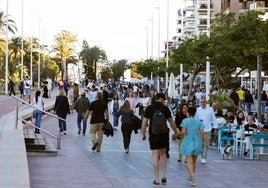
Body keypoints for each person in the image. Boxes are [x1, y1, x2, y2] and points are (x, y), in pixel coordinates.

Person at [141, 93, 179, 185]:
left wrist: (143, 133)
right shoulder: (165, 109)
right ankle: (164, 175)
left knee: (155, 155)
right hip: (164, 134)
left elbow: (144, 122)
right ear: (161, 99)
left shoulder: (149, 108)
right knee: (163, 155)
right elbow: (171, 121)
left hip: (153, 134)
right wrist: (176, 132)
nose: (164, 101)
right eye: (164, 99)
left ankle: (157, 179)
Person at [179, 107, 209, 186]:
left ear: (188, 112)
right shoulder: (199, 122)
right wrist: (207, 142)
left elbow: (183, 132)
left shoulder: (185, 121)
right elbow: (203, 133)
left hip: (188, 142)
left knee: (189, 161)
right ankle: (190, 177)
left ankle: (193, 178)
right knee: (194, 161)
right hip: (197, 142)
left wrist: (176, 135)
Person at [194, 98, 218, 164]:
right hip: (200, 129)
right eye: (201, 102)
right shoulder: (197, 110)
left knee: (206, 144)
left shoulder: (210, 110)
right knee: (200, 144)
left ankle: (204, 157)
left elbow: (214, 119)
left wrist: (215, 128)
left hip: (208, 129)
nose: (203, 103)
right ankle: (200, 155)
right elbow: (195, 119)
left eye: (204, 102)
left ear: (206, 102)